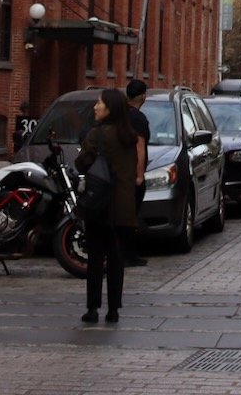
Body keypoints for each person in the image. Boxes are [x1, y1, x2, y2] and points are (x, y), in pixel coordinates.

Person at [76, 88, 140, 324]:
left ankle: (93, 308)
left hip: (100, 204)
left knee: (95, 259)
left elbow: (82, 163)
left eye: (99, 103)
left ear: (109, 108)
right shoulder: (129, 136)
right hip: (123, 206)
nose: (95, 107)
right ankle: (113, 309)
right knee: (116, 259)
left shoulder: (98, 134)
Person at [122, 79, 152, 269]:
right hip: (131, 173)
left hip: (119, 171)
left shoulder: (119, 114)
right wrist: (139, 175)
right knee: (131, 215)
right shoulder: (138, 118)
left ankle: (123, 252)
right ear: (142, 96)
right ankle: (129, 254)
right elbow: (140, 146)